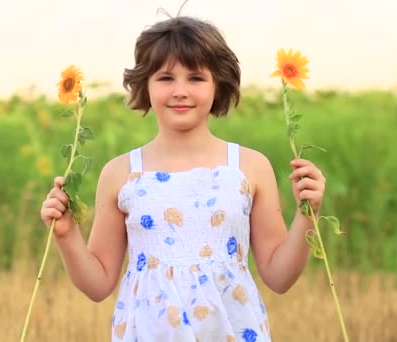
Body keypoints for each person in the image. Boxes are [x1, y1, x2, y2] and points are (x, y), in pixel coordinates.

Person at [40, 16, 326, 342]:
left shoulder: (249, 167)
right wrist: (66, 234)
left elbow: (279, 276)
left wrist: (308, 214)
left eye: (195, 78)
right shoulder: (120, 173)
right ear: (144, 85)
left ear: (218, 84)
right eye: (165, 78)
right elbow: (98, 284)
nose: (180, 91)